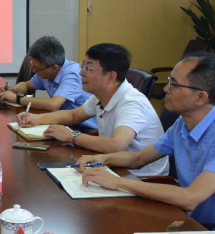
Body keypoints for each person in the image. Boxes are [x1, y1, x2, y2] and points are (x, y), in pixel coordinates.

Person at [78, 52, 215, 234]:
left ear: (201, 97)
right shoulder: (182, 123)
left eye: (174, 84)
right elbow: (138, 159)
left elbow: (190, 198)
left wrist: (118, 182)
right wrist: (101, 159)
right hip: (193, 225)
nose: (166, 89)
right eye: (169, 81)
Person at [17, 43, 167, 177]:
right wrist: (35, 118)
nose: (81, 73)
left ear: (110, 77)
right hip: (112, 166)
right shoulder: (101, 95)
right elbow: (73, 115)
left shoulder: (132, 102)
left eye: (88, 68)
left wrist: (72, 136)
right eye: (82, 66)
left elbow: (116, 145)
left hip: (140, 177)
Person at [0, 36, 96, 129]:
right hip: (63, 124)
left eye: (36, 68)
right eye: (33, 66)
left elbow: (53, 105)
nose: (33, 70)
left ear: (54, 68)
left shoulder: (73, 74)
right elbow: (27, 86)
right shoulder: (46, 71)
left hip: (85, 130)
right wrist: (13, 90)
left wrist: (18, 98)